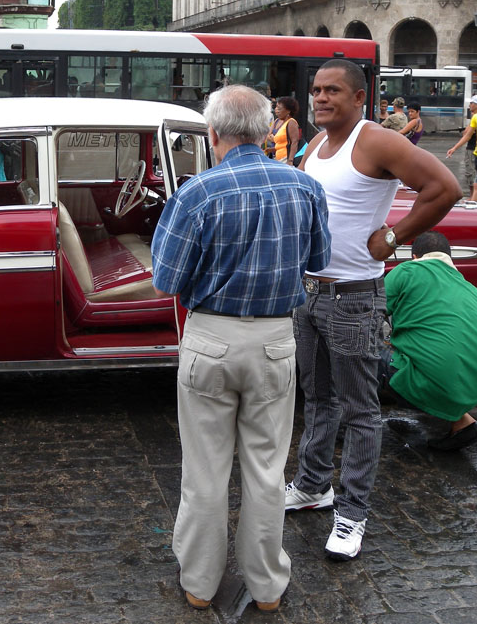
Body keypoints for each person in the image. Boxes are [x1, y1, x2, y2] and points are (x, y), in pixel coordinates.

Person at [151, 85, 331, 613]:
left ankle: (200, 583)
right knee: (267, 467)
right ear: (263, 130)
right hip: (276, 339)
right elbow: (318, 258)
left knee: (204, 469)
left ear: (214, 134)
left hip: (210, 336)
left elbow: (167, 279)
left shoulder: (198, 192)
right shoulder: (304, 187)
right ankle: (268, 585)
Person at [288, 59, 460, 562]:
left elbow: (445, 188)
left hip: (354, 297)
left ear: (360, 97)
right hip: (310, 294)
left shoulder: (377, 141)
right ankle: (312, 485)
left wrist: (394, 236)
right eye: (316, 90)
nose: (321, 98)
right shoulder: (316, 145)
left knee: (361, 410)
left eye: (333, 91)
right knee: (318, 399)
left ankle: (352, 513)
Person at [381, 231, 477, 450]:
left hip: (440, 378)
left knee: (362, 349)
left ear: (414, 256)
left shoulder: (407, 270)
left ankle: (351, 424)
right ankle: (463, 422)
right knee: (443, 360)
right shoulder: (473, 290)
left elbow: (368, 312)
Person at [266, 96, 300, 163]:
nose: (276, 110)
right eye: (276, 107)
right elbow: (282, 145)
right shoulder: (278, 121)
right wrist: (271, 149)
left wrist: (290, 160)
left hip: (285, 159)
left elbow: (294, 142)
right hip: (278, 159)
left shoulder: (291, 122)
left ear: (288, 111)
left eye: (279, 109)